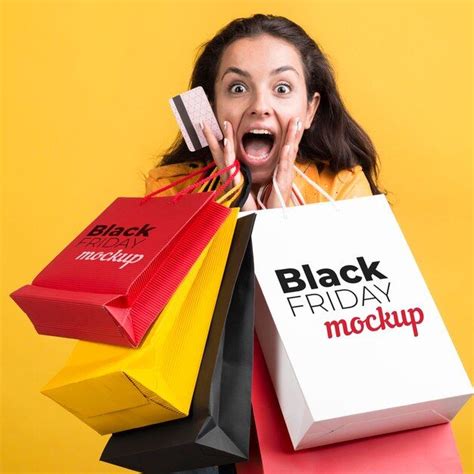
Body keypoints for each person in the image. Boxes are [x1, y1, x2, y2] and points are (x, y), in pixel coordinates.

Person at [146, 14, 381, 208]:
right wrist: (240, 208)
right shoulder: (171, 191)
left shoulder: (345, 190)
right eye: (237, 88)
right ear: (211, 107)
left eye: (282, 88)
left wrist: (275, 223)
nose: (259, 107)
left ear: (310, 110)